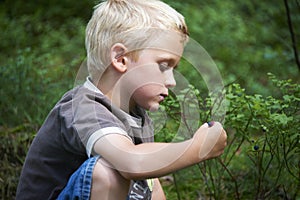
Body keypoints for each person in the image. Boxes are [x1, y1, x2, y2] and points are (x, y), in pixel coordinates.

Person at [16, 0, 227, 199]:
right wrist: (197, 147)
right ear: (120, 59)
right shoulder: (83, 107)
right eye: (163, 65)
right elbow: (132, 163)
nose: (171, 81)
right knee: (109, 170)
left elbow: (150, 182)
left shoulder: (137, 116)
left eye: (174, 69)